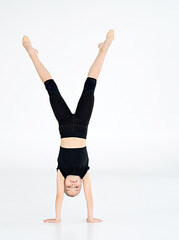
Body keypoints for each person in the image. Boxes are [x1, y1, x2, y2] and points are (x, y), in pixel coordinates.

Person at [22, 29, 114, 223]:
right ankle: (104, 49)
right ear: (81, 183)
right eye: (77, 187)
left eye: (69, 187)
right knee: (90, 85)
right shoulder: (85, 171)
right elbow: (89, 197)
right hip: (82, 123)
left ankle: (32, 53)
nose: (73, 184)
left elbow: (58, 197)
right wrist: (90, 217)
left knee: (51, 89)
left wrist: (57, 219)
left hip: (64, 123)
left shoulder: (61, 171)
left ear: (63, 183)